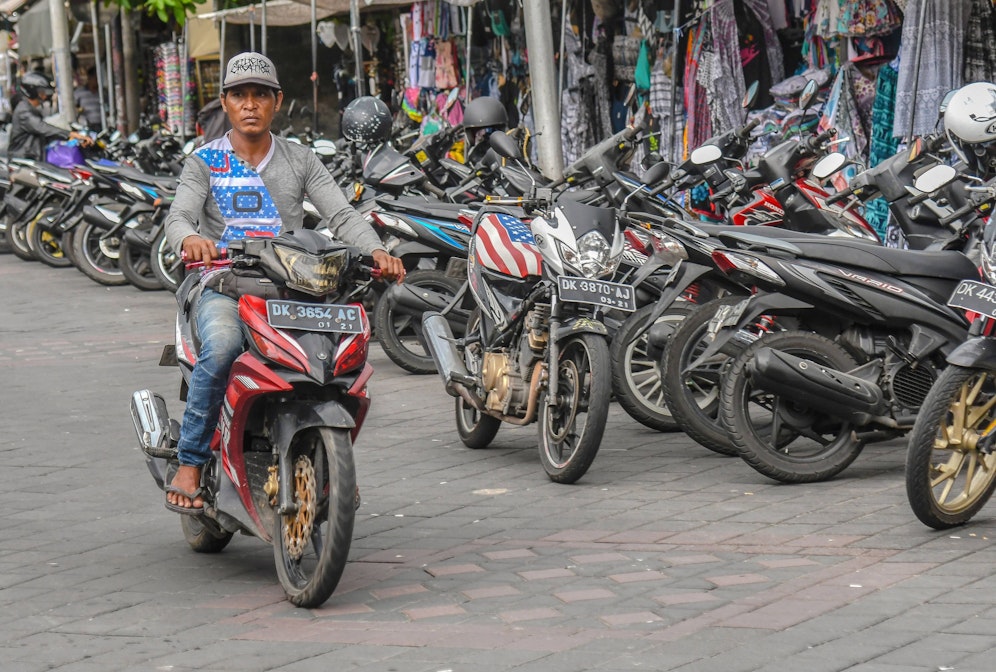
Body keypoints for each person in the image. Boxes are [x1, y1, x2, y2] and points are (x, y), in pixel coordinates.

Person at [163, 52, 405, 514]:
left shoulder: (301, 159)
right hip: (223, 284)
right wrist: (192, 238)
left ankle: (334, 461)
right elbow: (179, 216)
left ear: (278, 102)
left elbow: (340, 213)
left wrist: (376, 251)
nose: (250, 104)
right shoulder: (205, 162)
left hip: (294, 289)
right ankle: (191, 461)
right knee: (220, 351)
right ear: (225, 103)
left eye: (260, 94)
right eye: (239, 95)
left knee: (341, 361)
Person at [8, 72, 92, 161]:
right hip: (23, 160)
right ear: (31, 91)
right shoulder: (23, 110)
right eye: (41, 92)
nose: (44, 96)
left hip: (32, 157)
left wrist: (72, 138)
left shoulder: (30, 108)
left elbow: (45, 132)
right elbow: (41, 127)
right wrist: (70, 134)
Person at [73, 66, 103, 130]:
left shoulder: (103, 93)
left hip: (102, 126)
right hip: (86, 127)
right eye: (96, 78)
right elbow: (73, 108)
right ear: (90, 78)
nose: (98, 81)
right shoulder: (79, 92)